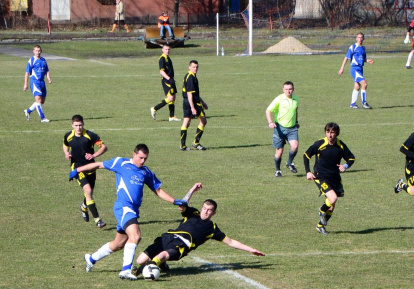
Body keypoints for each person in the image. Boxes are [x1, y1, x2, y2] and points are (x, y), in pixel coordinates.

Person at [71, 144, 190, 280]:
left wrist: (174, 201)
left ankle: (91, 259)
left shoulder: (146, 172)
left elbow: (158, 191)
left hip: (133, 210)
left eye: (145, 158)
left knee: (118, 244)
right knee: (136, 235)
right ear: (134, 154)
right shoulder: (121, 163)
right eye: (140, 158)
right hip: (123, 207)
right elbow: (98, 164)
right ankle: (125, 270)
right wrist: (78, 170)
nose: (142, 161)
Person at [134, 184, 265, 275]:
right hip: (168, 238)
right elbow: (182, 205)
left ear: (214, 213)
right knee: (140, 259)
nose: (205, 212)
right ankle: (160, 265)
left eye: (209, 210)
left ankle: (142, 271)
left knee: (161, 256)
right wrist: (192, 190)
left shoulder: (212, 228)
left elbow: (230, 242)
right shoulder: (193, 213)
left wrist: (250, 249)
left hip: (181, 246)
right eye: (204, 208)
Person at [303, 122, 355, 235]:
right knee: (333, 198)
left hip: (335, 177)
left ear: (337, 133)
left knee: (331, 207)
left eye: (332, 132)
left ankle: (320, 226)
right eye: (328, 132)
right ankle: (321, 211)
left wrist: (345, 166)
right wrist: (308, 172)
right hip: (320, 176)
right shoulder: (320, 144)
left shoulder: (341, 146)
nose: (330, 135)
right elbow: (306, 155)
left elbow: (351, 158)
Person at [63, 115, 108, 228]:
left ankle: (83, 206)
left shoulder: (90, 135)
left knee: (89, 193)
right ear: (72, 125)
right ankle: (97, 220)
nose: (78, 128)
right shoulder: (68, 135)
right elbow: (65, 145)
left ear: (83, 124)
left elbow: (104, 147)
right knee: (87, 191)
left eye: (80, 125)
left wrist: (93, 155)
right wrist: (66, 153)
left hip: (91, 167)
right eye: (76, 125)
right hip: (77, 168)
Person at [265, 81, 299, 177]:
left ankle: (289, 163)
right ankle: (278, 170)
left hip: (292, 128)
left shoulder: (296, 99)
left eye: (290, 89)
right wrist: (270, 122)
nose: (288, 91)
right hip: (280, 128)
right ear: (283, 89)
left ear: (293, 89)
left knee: (295, 146)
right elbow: (268, 110)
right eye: (286, 89)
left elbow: (295, 111)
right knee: (279, 151)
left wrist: (296, 122)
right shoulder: (279, 99)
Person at [338, 32, 374, 109]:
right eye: (358, 37)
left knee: (357, 87)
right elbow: (346, 58)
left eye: (361, 37)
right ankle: (364, 103)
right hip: (354, 69)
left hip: (360, 69)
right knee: (364, 84)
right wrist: (342, 68)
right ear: (356, 38)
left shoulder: (363, 48)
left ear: (363, 39)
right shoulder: (353, 47)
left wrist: (368, 60)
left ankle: (353, 104)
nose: (360, 39)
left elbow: (362, 59)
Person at [180, 60, 208, 151]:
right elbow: (190, 94)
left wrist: (203, 102)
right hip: (192, 102)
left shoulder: (190, 76)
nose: (195, 69)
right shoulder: (191, 77)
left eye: (196, 67)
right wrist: (192, 107)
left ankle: (183, 145)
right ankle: (196, 143)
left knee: (186, 123)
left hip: (187, 101)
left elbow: (194, 93)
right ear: (189, 67)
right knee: (203, 121)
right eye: (193, 67)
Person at [150, 45, 180, 122]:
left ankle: (172, 116)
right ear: (162, 50)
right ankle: (154, 109)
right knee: (170, 98)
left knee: (173, 97)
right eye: (166, 49)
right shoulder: (162, 58)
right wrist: (169, 78)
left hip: (171, 80)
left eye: (168, 49)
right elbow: (161, 71)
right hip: (167, 80)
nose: (167, 50)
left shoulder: (168, 58)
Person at [23, 45, 52, 123]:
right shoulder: (31, 60)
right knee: (38, 100)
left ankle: (28, 111)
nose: (37, 52)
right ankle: (43, 118)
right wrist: (25, 84)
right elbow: (27, 73)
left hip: (42, 82)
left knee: (42, 101)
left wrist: (49, 78)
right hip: (35, 82)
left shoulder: (43, 60)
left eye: (39, 50)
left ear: (41, 51)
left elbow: (47, 70)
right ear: (33, 51)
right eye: (36, 50)